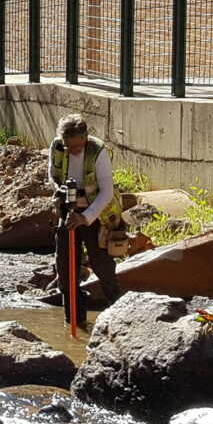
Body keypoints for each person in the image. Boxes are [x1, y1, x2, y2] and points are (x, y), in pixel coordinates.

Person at [49, 114, 123, 317]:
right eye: (69, 147)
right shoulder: (57, 147)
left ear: (85, 139)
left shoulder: (97, 151)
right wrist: (59, 191)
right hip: (68, 212)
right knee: (65, 267)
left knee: (102, 264)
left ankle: (117, 312)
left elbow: (107, 192)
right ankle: (73, 314)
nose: (73, 150)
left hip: (95, 215)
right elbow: (52, 174)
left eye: (77, 146)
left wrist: (85, 217)